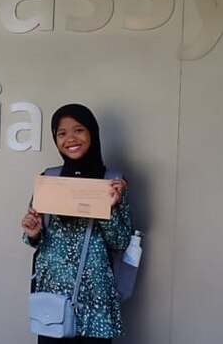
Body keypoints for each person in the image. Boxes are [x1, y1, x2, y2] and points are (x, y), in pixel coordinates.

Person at [21, 104, 132, 344]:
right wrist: (33, 232)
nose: (71, 138)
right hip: (53, 301)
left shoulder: (112, 182)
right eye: (62, 133)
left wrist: (110, 207)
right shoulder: (49, 179)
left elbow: (121, 242)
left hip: (96, 304)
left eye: (79, 130)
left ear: (92, 133)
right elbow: (34, 237)